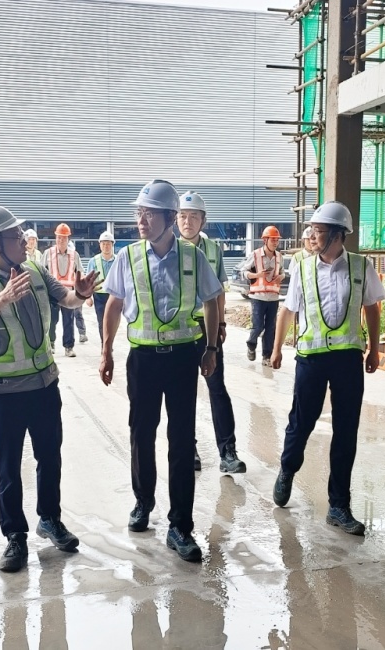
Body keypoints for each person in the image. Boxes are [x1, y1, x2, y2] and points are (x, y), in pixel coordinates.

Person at [0, 202, 98, 572]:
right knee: (8, 466)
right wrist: (3, 297)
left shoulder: (35, 269)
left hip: (44, 384)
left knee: (49, 456)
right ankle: (15, 537)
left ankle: (49, 519)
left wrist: (81, 294)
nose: (24, 241)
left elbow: (66, 299)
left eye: (22, 235)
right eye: (15, 236)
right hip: (2, 392)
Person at [99, 179, 223, 563]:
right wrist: (106, 350)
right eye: (139, 213)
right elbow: (114, 304)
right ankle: (143, 501)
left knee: (182, 441)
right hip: (143, 360)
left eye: (149, 214)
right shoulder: (128, 257)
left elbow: (212, 299)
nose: (141, 220)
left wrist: (211, 347)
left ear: (170, 218)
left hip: (184, 358)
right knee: (142, 434)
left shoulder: (193, 257)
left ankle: (180, 527)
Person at [270, 201, 385, 535]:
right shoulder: (303, 267)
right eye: (312, 230)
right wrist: (276, 349)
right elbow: (289, 309)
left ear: (338, 235)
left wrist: (375, 349)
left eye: (319, 231)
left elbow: (372, 307)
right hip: (311, 358)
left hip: (348, 359)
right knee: (301, 422)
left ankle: (339, 506)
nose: (312, 235)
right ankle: (288, 468)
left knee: (346, 431)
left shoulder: (361, 266)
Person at [176, 190, 246, 474]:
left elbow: (219, 290)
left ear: (203, 221)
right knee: (184, 393)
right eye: (183, 216)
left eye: (193, 216)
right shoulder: (170, 250)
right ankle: (188, 447)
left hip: (208, 327)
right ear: (176, 219)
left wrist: (221, 325)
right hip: (180, 330)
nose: (187, 222)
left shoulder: (214, 250)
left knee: (217, 388)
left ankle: (228, 452)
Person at [241, 225, 284, 366]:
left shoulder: (279, 256)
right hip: (258, 297)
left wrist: (281, 276)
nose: (275, 242)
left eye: (277, 240)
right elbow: (244, 272)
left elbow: (282, 271)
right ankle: (251, 344)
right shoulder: (255, 255)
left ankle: (267, 356)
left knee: (270, 328)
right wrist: (257, 275)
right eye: (273, 239)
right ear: (265, 240)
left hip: (273, 298)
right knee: (258, 326)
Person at [44, 223, 84, 357]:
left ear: (68, 239)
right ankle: (51, 343)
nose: (61, 240)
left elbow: (80, 274)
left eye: (64, 238)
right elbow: (41, 272)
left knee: (69, 321)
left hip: (68, 294)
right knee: (51, 320)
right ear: (55, 238)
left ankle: (69, 347)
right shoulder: (48, 253)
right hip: (52, 294)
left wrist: (82, 294)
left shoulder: (74, 255)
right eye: (59, 237)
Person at [86, 230, 116, 344]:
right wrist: (88, 297)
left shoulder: (118, 260)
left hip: (114, 295)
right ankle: (105, 345)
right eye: (103, 244)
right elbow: (88, 280)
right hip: (99, 296)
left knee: (112, 321)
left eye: (108, 244)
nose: (106, 246)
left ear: (112, 245)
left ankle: (109, 343)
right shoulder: (93, 261)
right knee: (102, 322)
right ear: (99, 245)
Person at [68, 241, 88, 344]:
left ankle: (82, 334)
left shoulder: (76, 261)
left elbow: (81, 274)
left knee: (78, 313)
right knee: (67, 317)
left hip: (76, 292)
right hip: (65, 292)